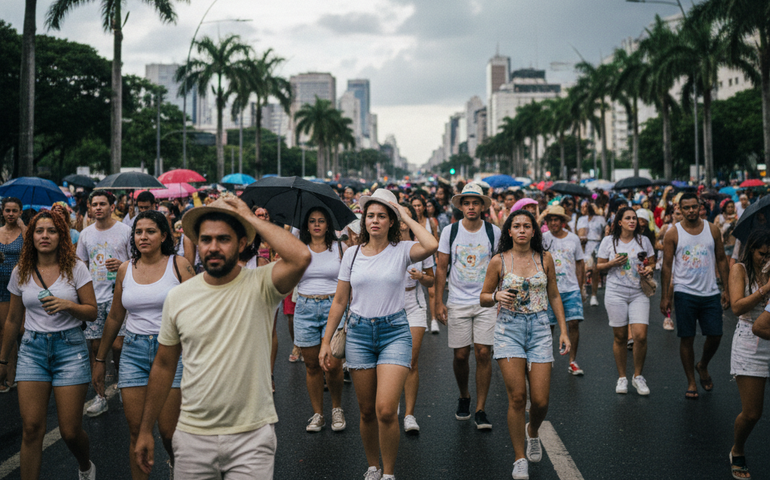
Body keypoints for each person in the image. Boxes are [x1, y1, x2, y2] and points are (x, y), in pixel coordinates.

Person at [134, 196, 311, 478]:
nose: (213, 247)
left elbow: (301, 257)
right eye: (206, 239)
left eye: (224, 239)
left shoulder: (261, 284)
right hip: (192, 436)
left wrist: (249, 218)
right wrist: (145, 430)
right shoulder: (178, 297)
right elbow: (164, 365)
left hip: (251, 436)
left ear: (241, 244)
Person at [318, 189, 437, 480]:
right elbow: (340, 301)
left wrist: (405, 212)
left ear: (391, 221)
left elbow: (431, 244)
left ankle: (389, 474)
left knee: (385, 410)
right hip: (358, 334)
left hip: (394, 332)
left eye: (382, 216)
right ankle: (373, 466)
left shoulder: (403, 250)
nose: (374, 220)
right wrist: (325, 341)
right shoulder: (352, 254)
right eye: (370, 215)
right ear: (364, 220)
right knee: (367, 411)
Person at [92, 210, 195, 479]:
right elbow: (115, 316)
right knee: (137, 431)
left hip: (172, 352)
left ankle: (178, 466)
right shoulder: (125, 269)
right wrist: (100, 359)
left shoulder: (180, 265)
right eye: (138, 232)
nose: (143, 237)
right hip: (133, 352)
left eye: (150, 231)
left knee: (169, 432)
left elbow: (198, 312)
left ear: (164, 236)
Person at [0, 211, 98, 479]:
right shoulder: (21, 271)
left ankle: (85, 466)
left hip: (70, 349)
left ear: (61, 236)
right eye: (39, 231)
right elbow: (13, 319)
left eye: (52, 231)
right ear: (31, 236)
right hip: (32, 350)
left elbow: (92, 312)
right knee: (31, 429)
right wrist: (3, 360)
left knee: (70, 431)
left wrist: (68, 305)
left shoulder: (75, 268)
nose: (45, 236)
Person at [480, 209, 570, 480]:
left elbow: (554, 294)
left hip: (540, 329)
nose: (521, 230)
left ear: (534, 231)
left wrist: (563, 331)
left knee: (540, 401)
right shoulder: (499, 260)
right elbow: (483, 296)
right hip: (509, 330)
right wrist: (496, 296)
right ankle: (519, 458)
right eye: (516, 226)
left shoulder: (545, 258)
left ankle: (533, 430)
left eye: (526, 226)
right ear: (509, 231)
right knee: (518, 397)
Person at [434, 183, 501, 428]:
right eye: (467, 203)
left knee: (483, 353)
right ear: (461, 206)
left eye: (475, 203)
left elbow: (501, 266)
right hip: (458, 301)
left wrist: (499, 297)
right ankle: (464, 395)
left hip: (486, 301)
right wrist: (438, 302)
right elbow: (442, 267)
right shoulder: (450, 231)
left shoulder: (493, 232)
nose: (471, 207)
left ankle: (481, 408)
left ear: (483, 206)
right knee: (461, 355)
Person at [660, 192, 730, 399]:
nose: (691, 211)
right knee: (687, 337)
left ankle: (703, 365)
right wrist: (665, 297)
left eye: (694, 207)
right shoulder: (673, 233)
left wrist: (727, 289)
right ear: (679, 209)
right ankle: (691, 381)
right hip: (684, 292)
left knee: (716, 334)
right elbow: (666, 266)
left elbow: (722, 259)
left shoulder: (712, 229)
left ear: (700, 207)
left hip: (710, 292)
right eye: (686, 207)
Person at [76, 190, 132, 416]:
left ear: (112, 207)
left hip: (119, 295)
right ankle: (100, 396)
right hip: (94, 297)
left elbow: (137, 261)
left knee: (118, 345)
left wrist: (122, 265)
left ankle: (123, 382)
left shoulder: (125, 231)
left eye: (102, 204)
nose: (98, 208)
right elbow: (81, 264)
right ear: (90, 208)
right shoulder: (85, 234)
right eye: (94, 204)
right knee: (96, 348)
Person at [295, 207, 346, 433]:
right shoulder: (298, 249)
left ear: (328, 225)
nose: (317, 224)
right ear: (306, 225)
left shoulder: (340, 248)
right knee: (312, 365)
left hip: (333, 306)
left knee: (332, 364)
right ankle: (318, 414)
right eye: (312, 221)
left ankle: (337, 408)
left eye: (321, 221)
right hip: (304, 307)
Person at [597, 207, 656, 396]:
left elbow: (652, 262)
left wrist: (649, 269)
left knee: (640, 336)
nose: (632, 221)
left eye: (634, 218)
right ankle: (622, 377)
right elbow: (598, 266)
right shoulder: (609, 241)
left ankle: (638, 376)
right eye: (628, 218)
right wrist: (612, 263)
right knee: (620, 337)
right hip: (615, 293)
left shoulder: (643, 241)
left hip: (639, 292)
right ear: (619, 222)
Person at [726, 228, 770, 480]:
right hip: (749, 342)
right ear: (751, 250)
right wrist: (766, 289)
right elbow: (736, 307)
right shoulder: (739, 270)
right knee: (752, 412)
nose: (766, 259)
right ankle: (738, 449)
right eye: (762, 254)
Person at [399, 203, 436, 434]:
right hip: (390, 307)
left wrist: (421, 276)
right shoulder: (385, 246)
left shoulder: (421, 247)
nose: (402, 221)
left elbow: (431, 280)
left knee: (411, 361)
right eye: (399, 216)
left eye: (406, 216)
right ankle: (392, 401)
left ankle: (409, 414)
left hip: (415, 305)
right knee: (390, 362)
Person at [542, 205, 586, 376]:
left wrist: (580, 286)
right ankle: (547, 357)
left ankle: (572, 361)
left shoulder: (573, 239)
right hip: (549, 290)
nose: (553, 223)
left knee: (573, 323)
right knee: (549, 326)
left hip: (571, 288)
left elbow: (580, 262)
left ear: (562, 222)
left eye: (556, 220)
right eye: (550, 220)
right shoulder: (543, 238)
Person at [0, 197, 26, 392]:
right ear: (2, 212)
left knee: (21, 330)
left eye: (14, 210)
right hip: (1, 287)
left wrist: (23, 226)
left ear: (20, 212)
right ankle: (8, 376)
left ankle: (20, 371)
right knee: (5, 332)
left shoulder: (24, 232)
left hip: (20, 286)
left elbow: (32, 249)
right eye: (7, 210)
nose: (10, 214)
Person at [410, 195, 441, 334]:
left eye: (419, 205)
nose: (417, 208)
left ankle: (433, 320)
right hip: (414, 258)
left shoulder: (431, 221)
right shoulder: (409, 222)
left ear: (423, 207)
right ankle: (421, 320)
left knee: (431, 291)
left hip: (429, 258)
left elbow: (436, 239)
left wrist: (437, 256)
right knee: (417, 290)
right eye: (414, 206)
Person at [576, 200, 604, 307]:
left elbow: (604, 232)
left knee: (595, 270)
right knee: (582, 270)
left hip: (596, 246)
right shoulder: (581, 219)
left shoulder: (600, 219)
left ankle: (593, 295)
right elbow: (580, 233)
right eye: (582, 207)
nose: (583, 209)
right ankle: (582, 292)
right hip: (584, 247)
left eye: (586, 206)